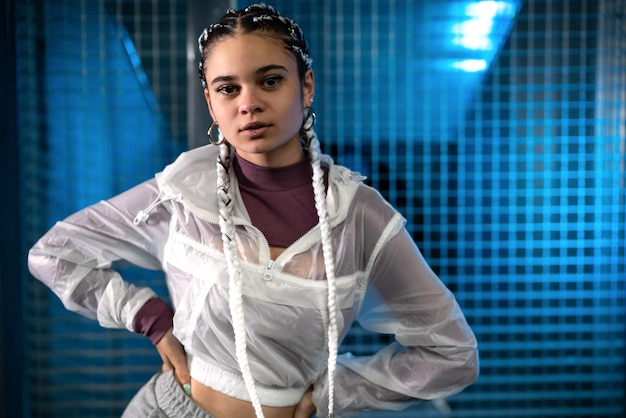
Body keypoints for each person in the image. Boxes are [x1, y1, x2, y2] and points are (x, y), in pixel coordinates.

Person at [27, 3, 479, 418]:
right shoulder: (184, 192)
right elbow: (54, 253)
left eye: (269, 80)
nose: (249, 103)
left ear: (306, 85)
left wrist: (338, 392)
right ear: (211, 102)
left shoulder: (358, 216)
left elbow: (452, 353)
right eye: (228, 88)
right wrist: (151, 319)